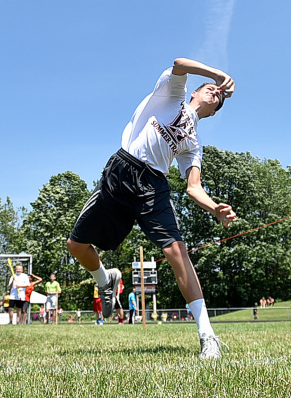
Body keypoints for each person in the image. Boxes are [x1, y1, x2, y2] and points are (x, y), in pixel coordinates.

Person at [66, 58, 236, 359]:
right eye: (210, 89)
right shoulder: (171, 95)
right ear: (196, 93)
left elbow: (193, 187)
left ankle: (207, 337)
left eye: (218, 97)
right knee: (76, 245)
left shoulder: (194, 143)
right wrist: (218, 74)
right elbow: (179, 63)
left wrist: (215, 209)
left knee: (176, 251)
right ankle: (106, 281)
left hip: (153, 186)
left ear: (212, 112)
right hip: (123, 170)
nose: (214, 93)